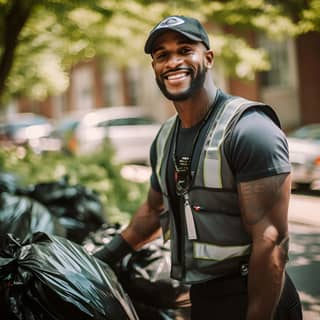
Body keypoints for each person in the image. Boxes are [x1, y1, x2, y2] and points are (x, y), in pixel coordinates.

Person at [95, 16, 302, 319]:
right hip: (204, 299)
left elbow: (271, 240)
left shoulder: (249, 129)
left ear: (208, 57)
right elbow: (154, 210)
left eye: (184, 50)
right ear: (154, 67)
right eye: (162, 55)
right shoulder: (165, 136)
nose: (172, 61)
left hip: (258, 299)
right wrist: (103, 257)